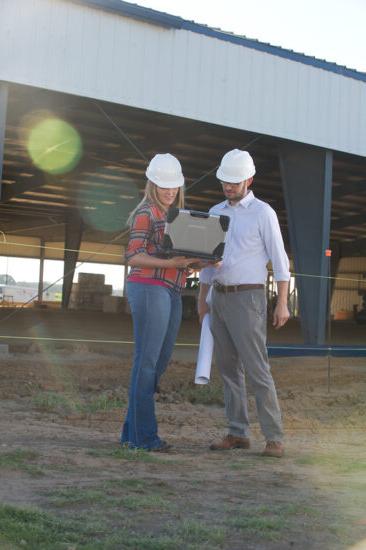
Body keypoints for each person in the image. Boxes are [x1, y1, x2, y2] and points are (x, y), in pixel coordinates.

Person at [198, 149, 290, 458]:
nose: (229, 186)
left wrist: (282, 303)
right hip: (219, 298)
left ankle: (274, 437)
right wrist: (202, 299)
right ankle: (237, 432)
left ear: (249, 179)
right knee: (227, 368)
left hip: (249, 298)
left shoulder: (263, 213)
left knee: (256, 368)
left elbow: (279, 259)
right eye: (225, 181)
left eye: (235, 182)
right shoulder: (214, 211)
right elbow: (209, 261)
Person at [121, 153, 198, 452]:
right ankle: (145, 438)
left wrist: (195, 263)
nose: (169, 191)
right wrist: (173, 263)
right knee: (148, 362)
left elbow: (174, 259)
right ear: (152, 183)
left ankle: (131, 433)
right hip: (149, 286)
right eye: (163, 185)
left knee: (159, 362)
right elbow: (133, 256)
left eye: (174, 186)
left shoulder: (176, 217)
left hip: (172, 289)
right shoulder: (147, 212)